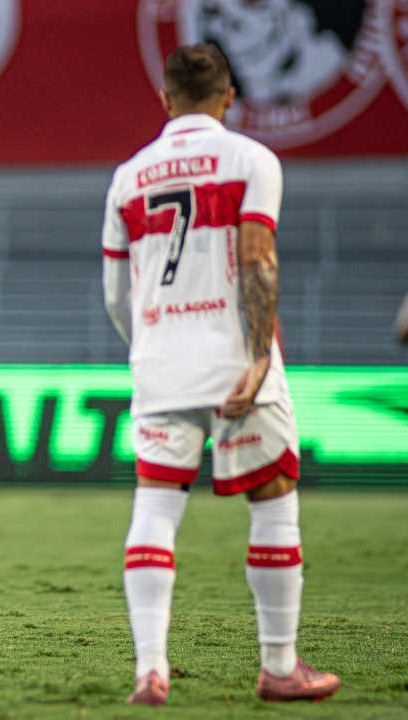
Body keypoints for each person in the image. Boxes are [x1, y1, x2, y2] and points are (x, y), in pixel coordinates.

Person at [101, 45, 340, 704]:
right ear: (229, 96)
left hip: (160, 363)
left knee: (154, 507)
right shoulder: (250, 161)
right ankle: (280, 666)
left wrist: (148, 345)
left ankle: (150, 669)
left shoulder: (129, 176)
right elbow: (257, 255)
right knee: (273, 500)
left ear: (164, 98)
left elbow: (116, 293)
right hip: (237, 358)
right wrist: (260, 354)